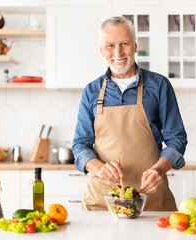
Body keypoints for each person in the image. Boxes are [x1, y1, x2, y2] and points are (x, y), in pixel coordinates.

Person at [72, 16, 187, 211]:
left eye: (124, 44)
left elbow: (177, 139)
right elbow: (80, 145)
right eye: (110, 45)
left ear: (134, 46)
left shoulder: (159, 86)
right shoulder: (91, 91)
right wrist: (99, 168)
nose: (118, 52)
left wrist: (159, 170)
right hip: (102, 202)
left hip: (151, 200)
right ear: (101, 51)